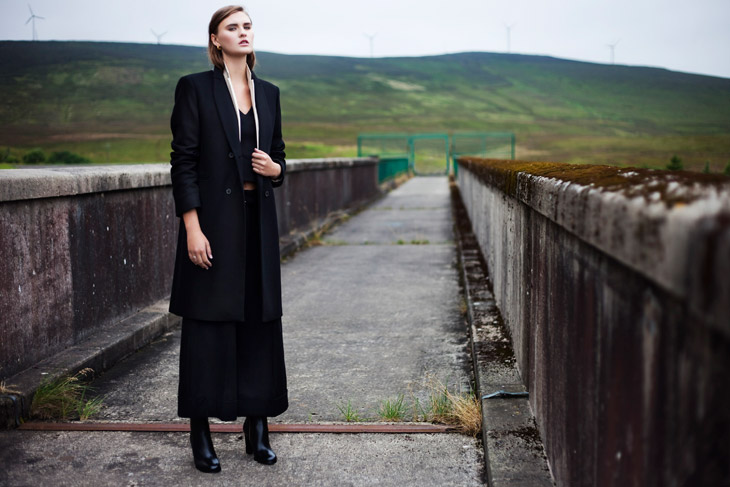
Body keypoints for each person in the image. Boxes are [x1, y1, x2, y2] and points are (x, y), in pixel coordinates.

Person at [168, 4, 288, 473]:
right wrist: (192, 228)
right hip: (213, 224)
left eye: (247, 26)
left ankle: (257, 428)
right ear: (216, 39)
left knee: (259, 321)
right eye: (232, 27)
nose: (243, 32)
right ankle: (200, 433)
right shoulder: (195, 88)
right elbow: (183, 162)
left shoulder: (270, 93)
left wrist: (275, 169)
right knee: (207, 326)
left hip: (258, 222)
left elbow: (278, 156)